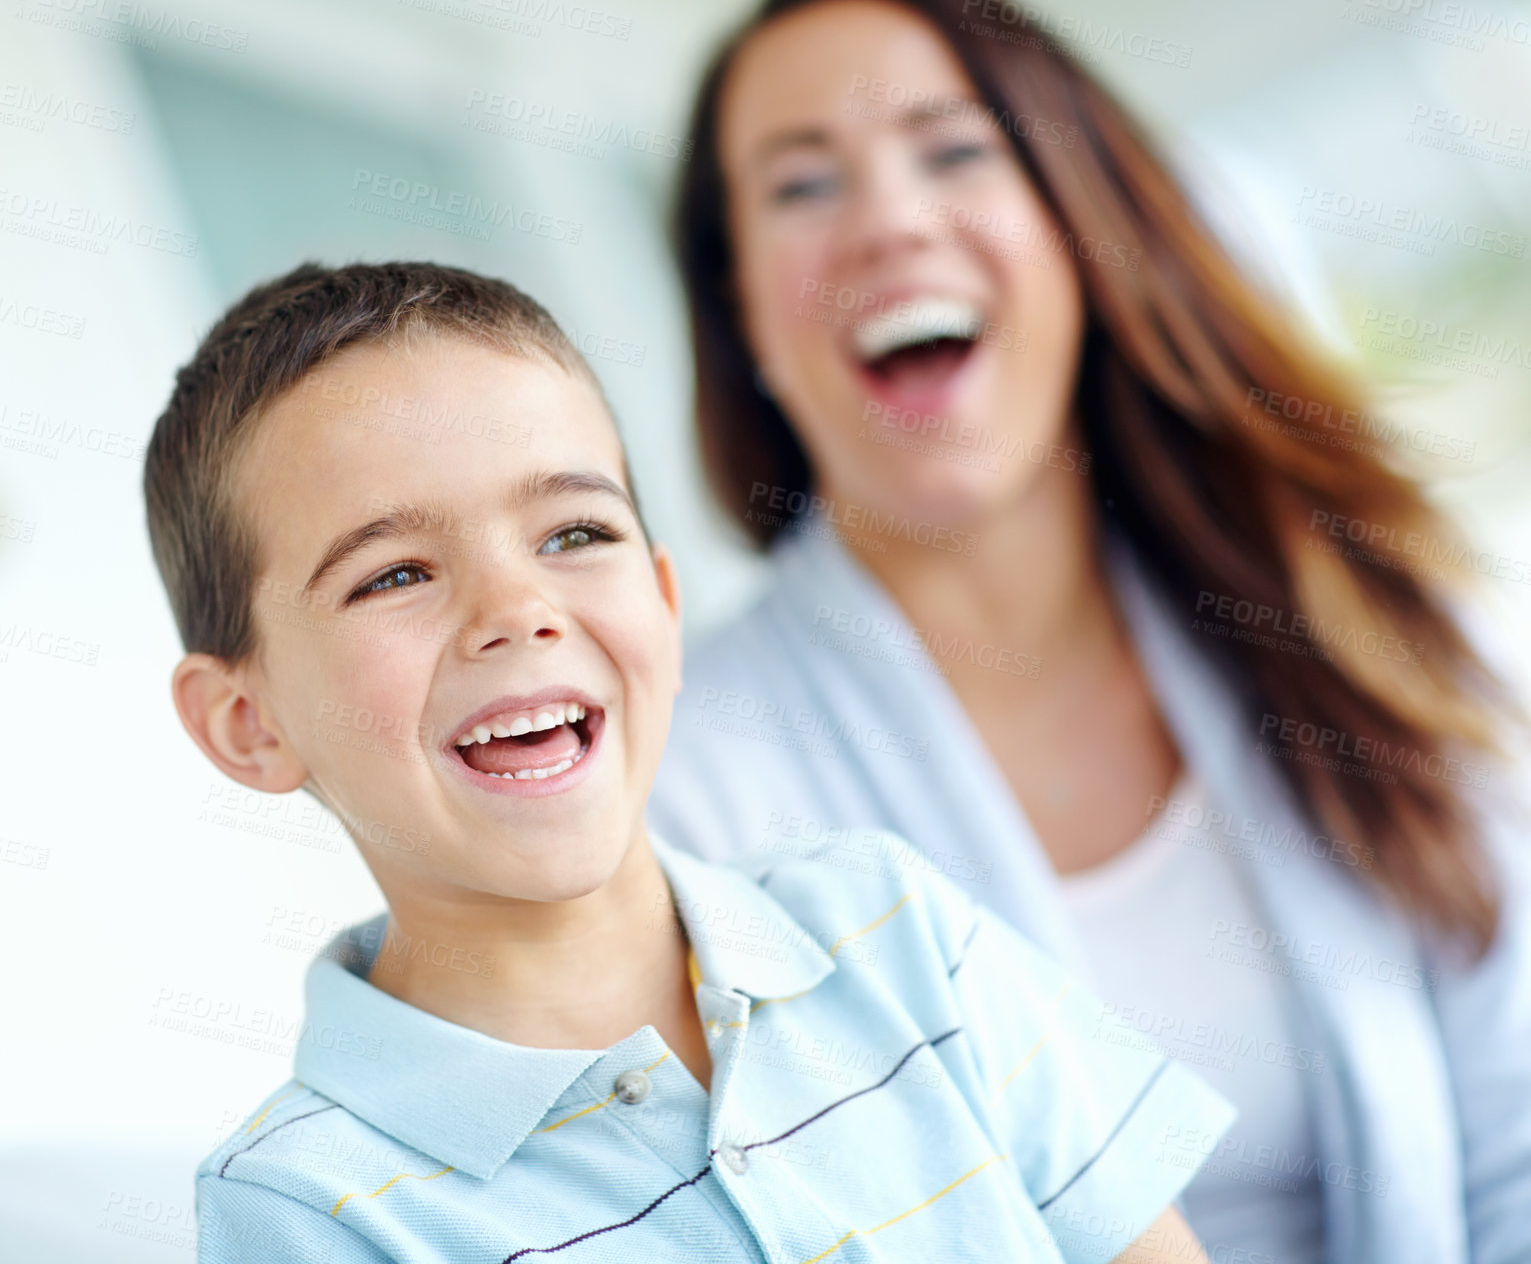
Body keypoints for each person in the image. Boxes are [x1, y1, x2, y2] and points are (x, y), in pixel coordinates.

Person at [646, 0, 1531, 1263]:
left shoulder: (1350, 611)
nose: (888, 222)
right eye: (799, 183)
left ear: (1077, 228)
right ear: (738, 317)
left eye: (952, 151)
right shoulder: (679, 788)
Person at [144, 261, 1235, 1263]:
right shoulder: (300, 1205)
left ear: (663, 610)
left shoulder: (893, 930)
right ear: (249, 723)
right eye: (392, 575)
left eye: (573, 534)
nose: (517, 610)